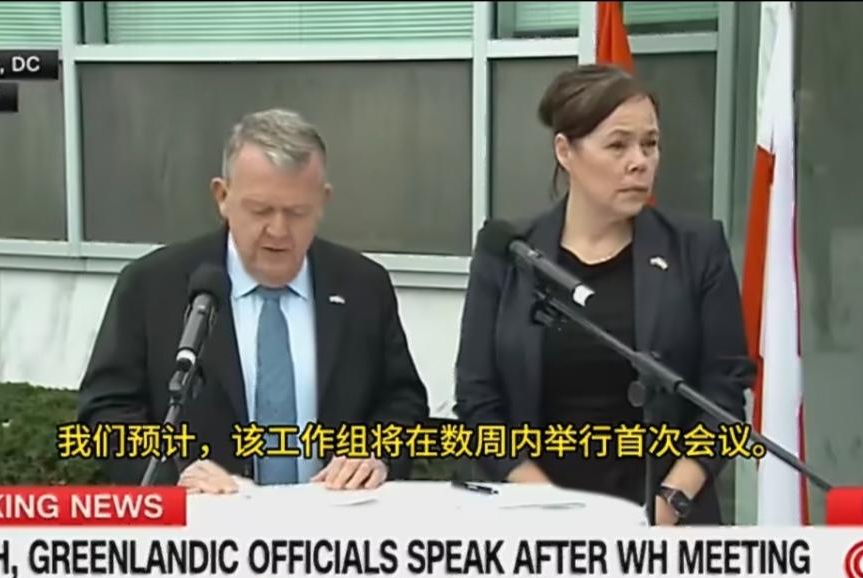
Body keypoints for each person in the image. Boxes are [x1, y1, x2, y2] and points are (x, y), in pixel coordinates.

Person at [456, 63, 755, 525]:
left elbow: (725, 394)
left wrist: (668, 504)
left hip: (664, 528)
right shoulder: (509, 252)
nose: (639, 161)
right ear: (565, 151)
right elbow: (478, 400)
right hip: (535, 523)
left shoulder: (697, 249)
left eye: (650, 144)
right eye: (618, 145)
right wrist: (552, 508)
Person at [78, 108, 429, 493]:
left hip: (336, 519)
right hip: (205, 521)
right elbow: (107, 412)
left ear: (323, 202)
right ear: (222, 196)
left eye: (297, 212)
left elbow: (402, 401)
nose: (278, 230)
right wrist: (175, 478)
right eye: (260, 210)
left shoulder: (363, 286)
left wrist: (374, 454)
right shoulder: (153, 285)